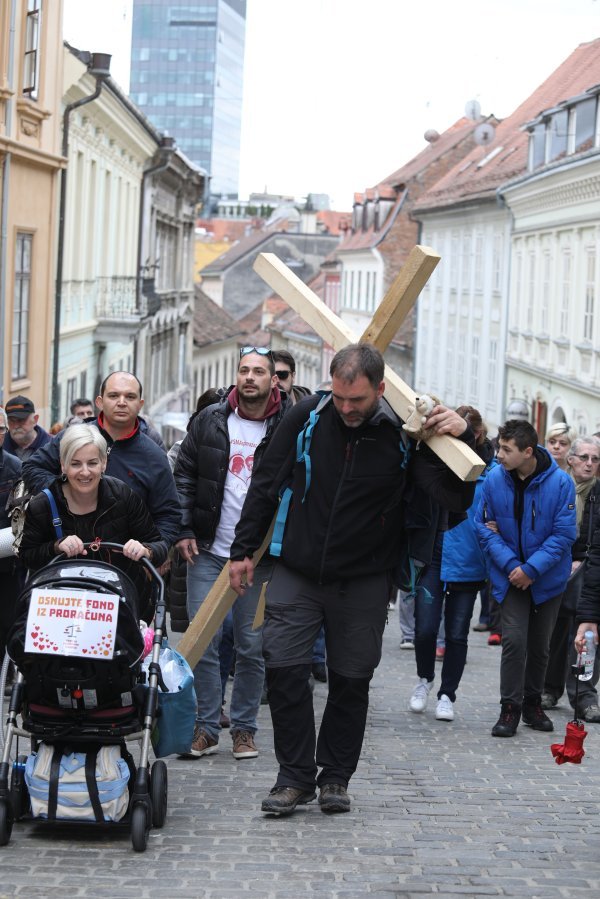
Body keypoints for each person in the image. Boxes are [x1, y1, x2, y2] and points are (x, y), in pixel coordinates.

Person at [228, 343, 476, 816]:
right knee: (283, 670)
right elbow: (266, 481)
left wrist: (470, 441)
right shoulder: (307, 416)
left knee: (351, 679)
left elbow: (455, 497)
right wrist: (243, 550)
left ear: (380, 390)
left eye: (357, 400)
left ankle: (335, 777)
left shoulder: (403, 434)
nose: (346, 408)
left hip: (364, 579)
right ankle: (294, 777)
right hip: (298, 569)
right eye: (339, 397)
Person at [174, 348, 288, 761]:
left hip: (259, 559)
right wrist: (184, 528)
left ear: (273, 380)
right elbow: (184, 474)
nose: (250, 377)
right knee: (204, 641)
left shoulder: (287, 425)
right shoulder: (210, 419)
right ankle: (206, 727)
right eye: (244, 370)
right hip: (208, 551)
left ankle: (244, 729)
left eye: (258, 371)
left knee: (251, 647)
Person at [475, 419, 577, 738]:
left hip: (546, 578)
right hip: (509, 576)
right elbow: (482, 527)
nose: (499, 455)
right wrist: (513, 567)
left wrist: (531, 569)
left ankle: (533, 704)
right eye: (499, 448)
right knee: (514, 641)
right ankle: (510, 707)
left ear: (528, 452)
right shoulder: (494, 479)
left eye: (506, 450)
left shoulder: (561, 483)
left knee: (540, 645)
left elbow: (564, 535)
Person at [19, 425, 169, 619]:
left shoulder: (123, 495)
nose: (85, 472)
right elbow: (27, 556)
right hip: (63, 610)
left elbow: (158, 545)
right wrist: (56, 547)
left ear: (104, 463)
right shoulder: (43, 504)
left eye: (92, 463)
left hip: (121, 609)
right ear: (63, 465)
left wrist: (145, 550)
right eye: (75, 464)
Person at [22, 372, 181, 549]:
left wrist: (153, 551)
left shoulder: (153, 456)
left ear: (140, 404)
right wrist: (63, 492)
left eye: (130, 396)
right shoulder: (72, 438)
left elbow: (168, 515)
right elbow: (33, 467)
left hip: (124, 557)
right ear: (99, 402)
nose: (121, 402)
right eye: (113, 395)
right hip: (67, 550)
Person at [408, 406, 495, 722]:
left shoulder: (489, 473)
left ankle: (447, 694)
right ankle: (424, 679)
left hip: (468, 562)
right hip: (433, 557)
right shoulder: (435, 463)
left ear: (476, 435)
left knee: (457, 634)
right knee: (425, 629)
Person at [542, 436, 600, 721]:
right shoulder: (557, 486)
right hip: (556, 569)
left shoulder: (598, 493)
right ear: (571, 459)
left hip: (590, 572)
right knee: (555, 631)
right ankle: (549, 688)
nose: (589, 464)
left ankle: (584, 694)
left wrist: (581, 558)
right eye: (584, 457)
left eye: (595, 459)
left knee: (587, 634)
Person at [0, 407, 22, 670]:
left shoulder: (14, 467)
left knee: (7, 622)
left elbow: (21, 517)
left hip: (6, 563)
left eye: (0, 429)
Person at [3, 395, 51, 461]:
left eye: (21, 420)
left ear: (35, 420)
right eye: (11, 421)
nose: (16, 426)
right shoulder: (1, 445)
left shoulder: (51, 447)